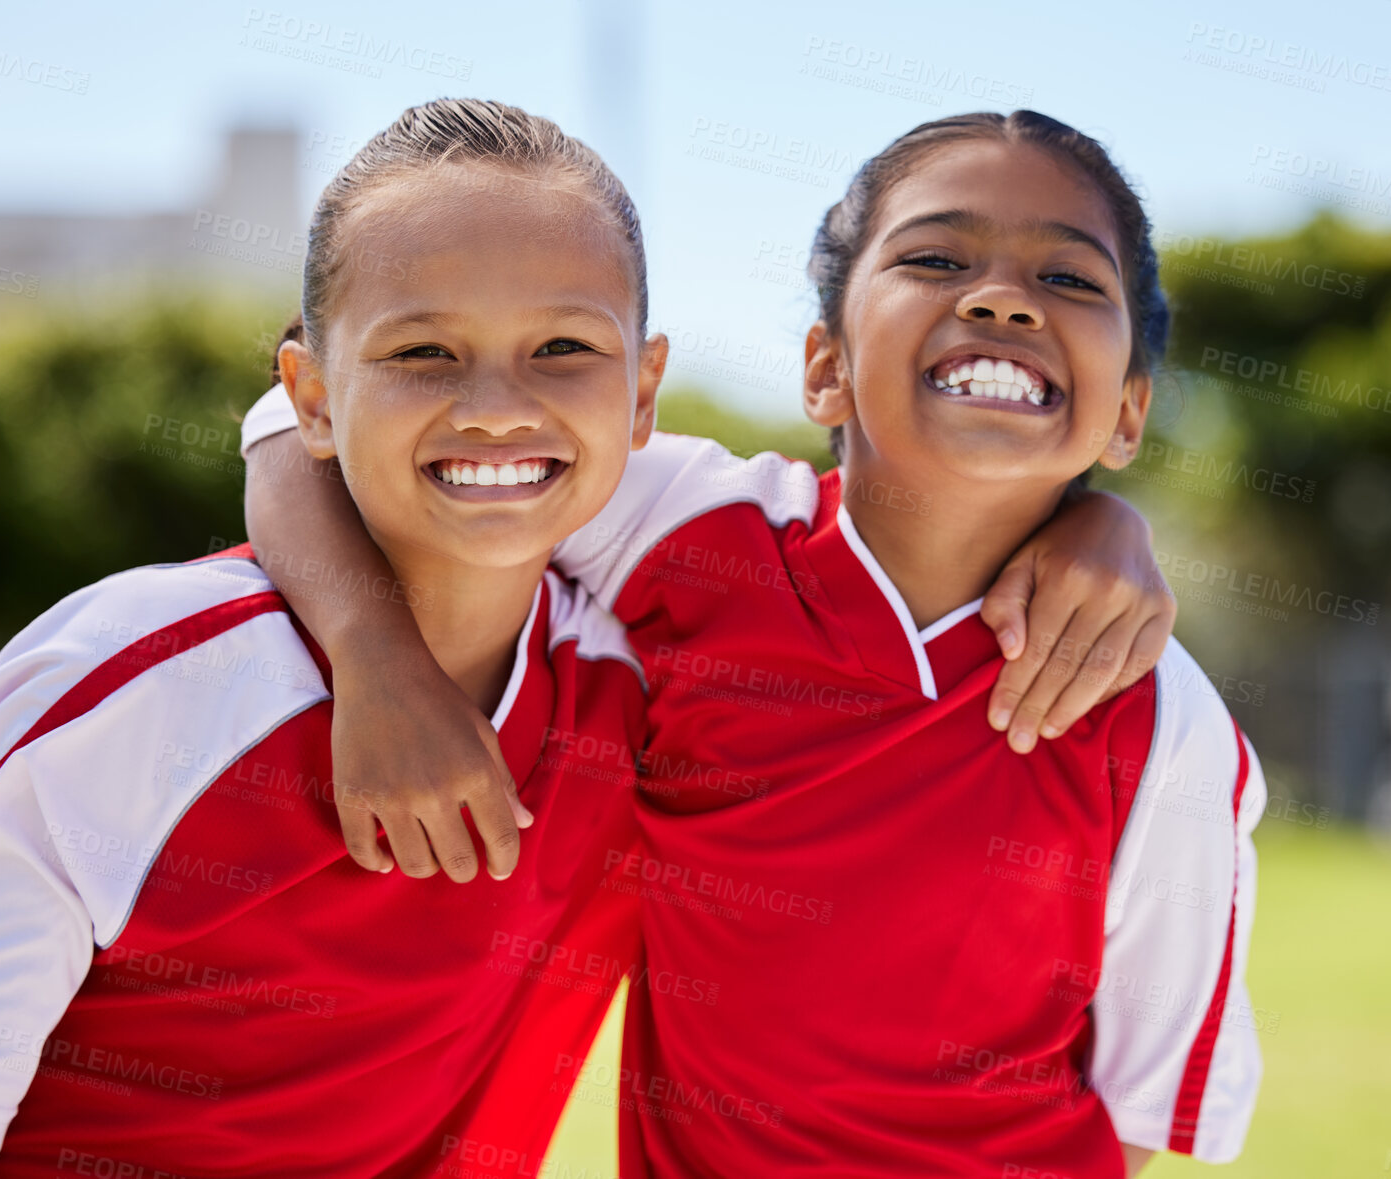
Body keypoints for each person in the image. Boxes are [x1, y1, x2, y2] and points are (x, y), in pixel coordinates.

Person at [240, 112, 1262, 1176]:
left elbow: (1139, 1111)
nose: (1002, 297)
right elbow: (292, 421)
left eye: (1070, 278)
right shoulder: (692, 529)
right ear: (822, 368)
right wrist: (377, 660)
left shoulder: (1164, 725)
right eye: (934, 258)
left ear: (1128, 413)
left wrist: (1113, 520)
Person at [0, 98, 665, 1178]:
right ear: (311, 399)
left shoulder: (650, 682)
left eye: (562, 345)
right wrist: (374, 659)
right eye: (423, 351)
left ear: (644, 390)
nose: (497, 405)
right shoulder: (134, 686)